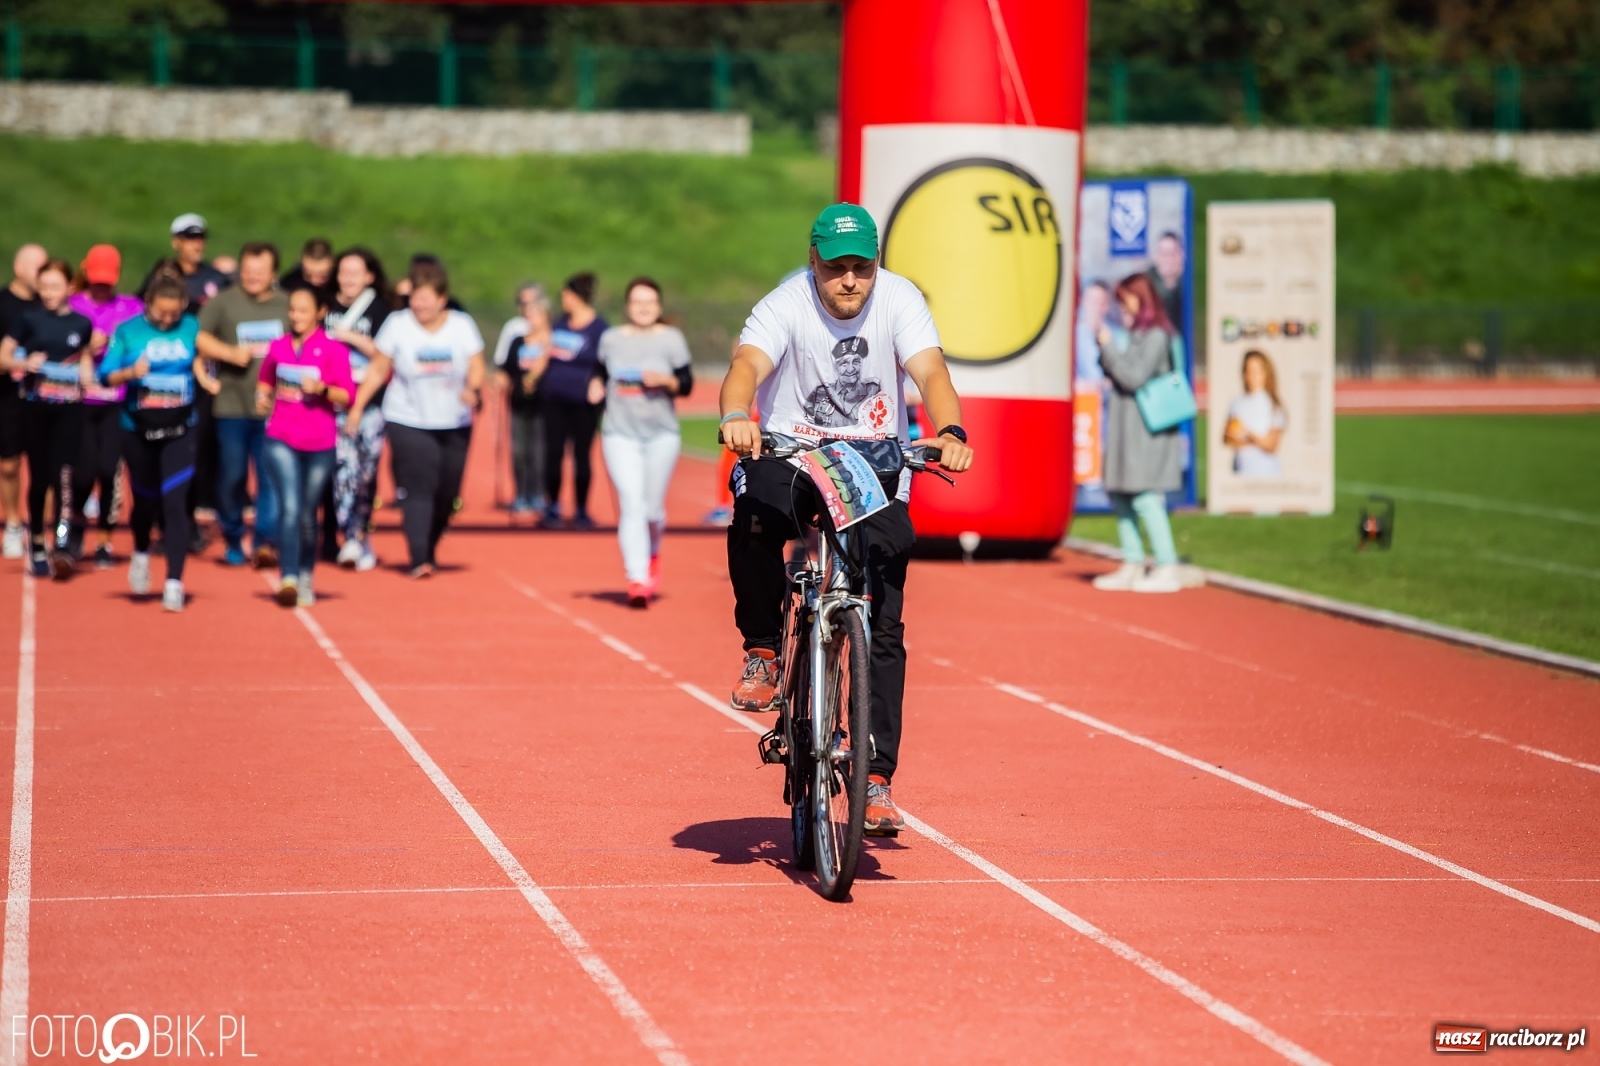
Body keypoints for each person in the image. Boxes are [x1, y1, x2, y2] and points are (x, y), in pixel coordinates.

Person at [719, 203, 974, 834]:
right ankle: (763, 651)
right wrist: (737, 413)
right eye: (836, 269)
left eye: (862, 266)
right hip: (789, 449)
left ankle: (876, 777)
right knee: (753, 515)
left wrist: (949, 429)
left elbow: (930, 371)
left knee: (884, 614)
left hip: (872, 459)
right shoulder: (785, 303)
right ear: (814, 263)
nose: (850, 281)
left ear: (877, 263)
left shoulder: (900, 299)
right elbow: (746, 366)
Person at [350, 261, 484, 578]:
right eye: (415, 298)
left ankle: (430, 546)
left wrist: (472, 389)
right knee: (418, 487)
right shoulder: (398, 324)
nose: (419, 305)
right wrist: (357, 406)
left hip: (455, 420)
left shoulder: (461, 325)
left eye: (425, 299)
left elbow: (476, 365)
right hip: (407, 418)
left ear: (442, 299)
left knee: (447, 493)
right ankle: (418, 556)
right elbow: (380, 368)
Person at [98, 276, 202, 612]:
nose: (168, 320)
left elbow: (210, 352)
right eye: (162, 314)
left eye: (174, 314)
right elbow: (105, 375)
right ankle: (141, 551)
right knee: (144, 503)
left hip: (180, 428)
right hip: (137, 429)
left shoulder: (192, 327)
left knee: (175, 503)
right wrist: (130, 373)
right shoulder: (128, 331)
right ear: (148, 305)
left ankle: (174, 581)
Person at [597, 277, 694, 607]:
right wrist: (594, 386)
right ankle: (636, 577)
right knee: (631, 504)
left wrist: (666, 380)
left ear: (659, 307)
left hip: (660, 435)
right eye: (637, 302)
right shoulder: (610, 339)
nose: (643, 308)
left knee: (651, 510)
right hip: (619, 433)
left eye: (649, 303)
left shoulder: (671, 339)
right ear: (627, 306)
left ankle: (652, 552)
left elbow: (686, 383)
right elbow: (598, 372)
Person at [257, 287, 354, 607]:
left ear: (319, 312)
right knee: (289, 507)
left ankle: (306, 573)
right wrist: (262, 396)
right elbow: (266, 377)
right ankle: (288, 577)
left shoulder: (332, 350)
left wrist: (323, 388)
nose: (296, 316)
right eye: (293, 310)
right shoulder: (279, 346)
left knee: (307, 515)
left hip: (319, 442)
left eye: (303, 310)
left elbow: (347, 395)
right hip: (281, 437)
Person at [0, 258, 94, 579]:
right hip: (35, 410)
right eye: (44, 287)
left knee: (65, 480)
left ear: (70, 288)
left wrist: (87, 374)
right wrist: (24, 364)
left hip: (69, 410)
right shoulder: (28, 319)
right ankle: (38, 543)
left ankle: (63, 544)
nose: (49, 293)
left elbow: (84, 360)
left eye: (55, 287)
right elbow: (3, 356)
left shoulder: (81, 324)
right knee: (39, 480)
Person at [196, 242, 288, 568]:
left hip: (274, 409)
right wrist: (229, 353)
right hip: (231, 406)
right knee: (232, 476)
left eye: (259, 272)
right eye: (247, 271)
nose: (252, 277)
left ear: (273, 274)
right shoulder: (224, 303)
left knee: (270, 478)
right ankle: (233, 534)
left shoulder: (285, 305)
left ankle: (264, 539)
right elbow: (199, 336)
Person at [1093, 273, 1184, 594]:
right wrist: (1106, 350)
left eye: (1126, 297)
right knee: (1121, 495)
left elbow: (1133, 377)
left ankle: (1167, 564)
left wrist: (1109, 349)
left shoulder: (1157, 336)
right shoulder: (1134, 334)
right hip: (1124, 427)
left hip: (1146, 431)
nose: (1122, 305)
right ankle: (1132, 562)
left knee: (1145, 496)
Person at [69, 245, 144, 567]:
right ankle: (74, 527)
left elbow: (143, 346)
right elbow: (55, 351)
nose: (102, 287)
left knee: (108, 469)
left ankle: (104, 541)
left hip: (116, 401)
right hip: (80, 401)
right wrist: (86, 348)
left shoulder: (131, 308)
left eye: (107, 281)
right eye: (96, 280)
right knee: (82, 471)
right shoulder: (71, 307)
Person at [322, 247, 391, 570]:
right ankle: (349, 535)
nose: (348, 279)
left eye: (356, 273)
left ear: (369, 277)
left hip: (372, 406)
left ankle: (362, 530)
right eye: (344, 272)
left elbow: (386, 355)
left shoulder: (381, 310)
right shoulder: (325, 306)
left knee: (366, 472)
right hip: (334, 403)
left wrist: (352, 337)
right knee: (344, 470)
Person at [540, 273, 608, 529]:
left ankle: (581, 509)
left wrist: (598, 380)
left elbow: (606, 363)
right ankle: (553, 506)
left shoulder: (600, 328)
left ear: (576, 296)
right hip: (553, 398)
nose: (562, 299)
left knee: (581, 455)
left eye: (565, 295)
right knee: (553, 453)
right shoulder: (559, 324)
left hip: (583, 403)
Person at [0, 244, 47, 559]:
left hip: (45, 399)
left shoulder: (51, 305)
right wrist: (17, 364)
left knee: (47, 466)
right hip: (7, 396)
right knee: (9, 464)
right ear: (19, 268)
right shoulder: (2, 304)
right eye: (37, 269)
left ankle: (46, 528)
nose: (43, 276)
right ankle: (14, 523)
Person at [491, 282, 552, 516]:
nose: (532, 318)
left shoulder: (552, 341)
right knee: (518, 450)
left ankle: (538, 494)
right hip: (518, 402)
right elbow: (506, 368)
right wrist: (502, 379)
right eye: (529, 314)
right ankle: (521, 494)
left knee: (539, 450)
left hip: (543, 404)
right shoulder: (518, 341)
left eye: (537, 314)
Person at [1224, 349, 1286, 478]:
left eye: (1257, 371)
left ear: (1266, 373)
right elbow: (1227, 438)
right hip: (1240, 471)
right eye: (1248, 371)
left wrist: (1247, 434)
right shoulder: (1236, 403)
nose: (1252, 376)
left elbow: (1271, 445)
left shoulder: (1273, 405)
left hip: (1266, 473)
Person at [1145, 231, 1185, 336]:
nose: (1168, 259)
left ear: (1181, 255)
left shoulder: (1190, 285)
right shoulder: (1145, 286)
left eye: (1173, 253)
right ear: (1156, 256)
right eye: (1163, 253)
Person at [279, 237, 336, 305]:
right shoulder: (289, 282)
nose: (315, 281)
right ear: (301, 263)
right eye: (308, 275)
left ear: (333, 264)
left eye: (323, 276)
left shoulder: (340, 281)